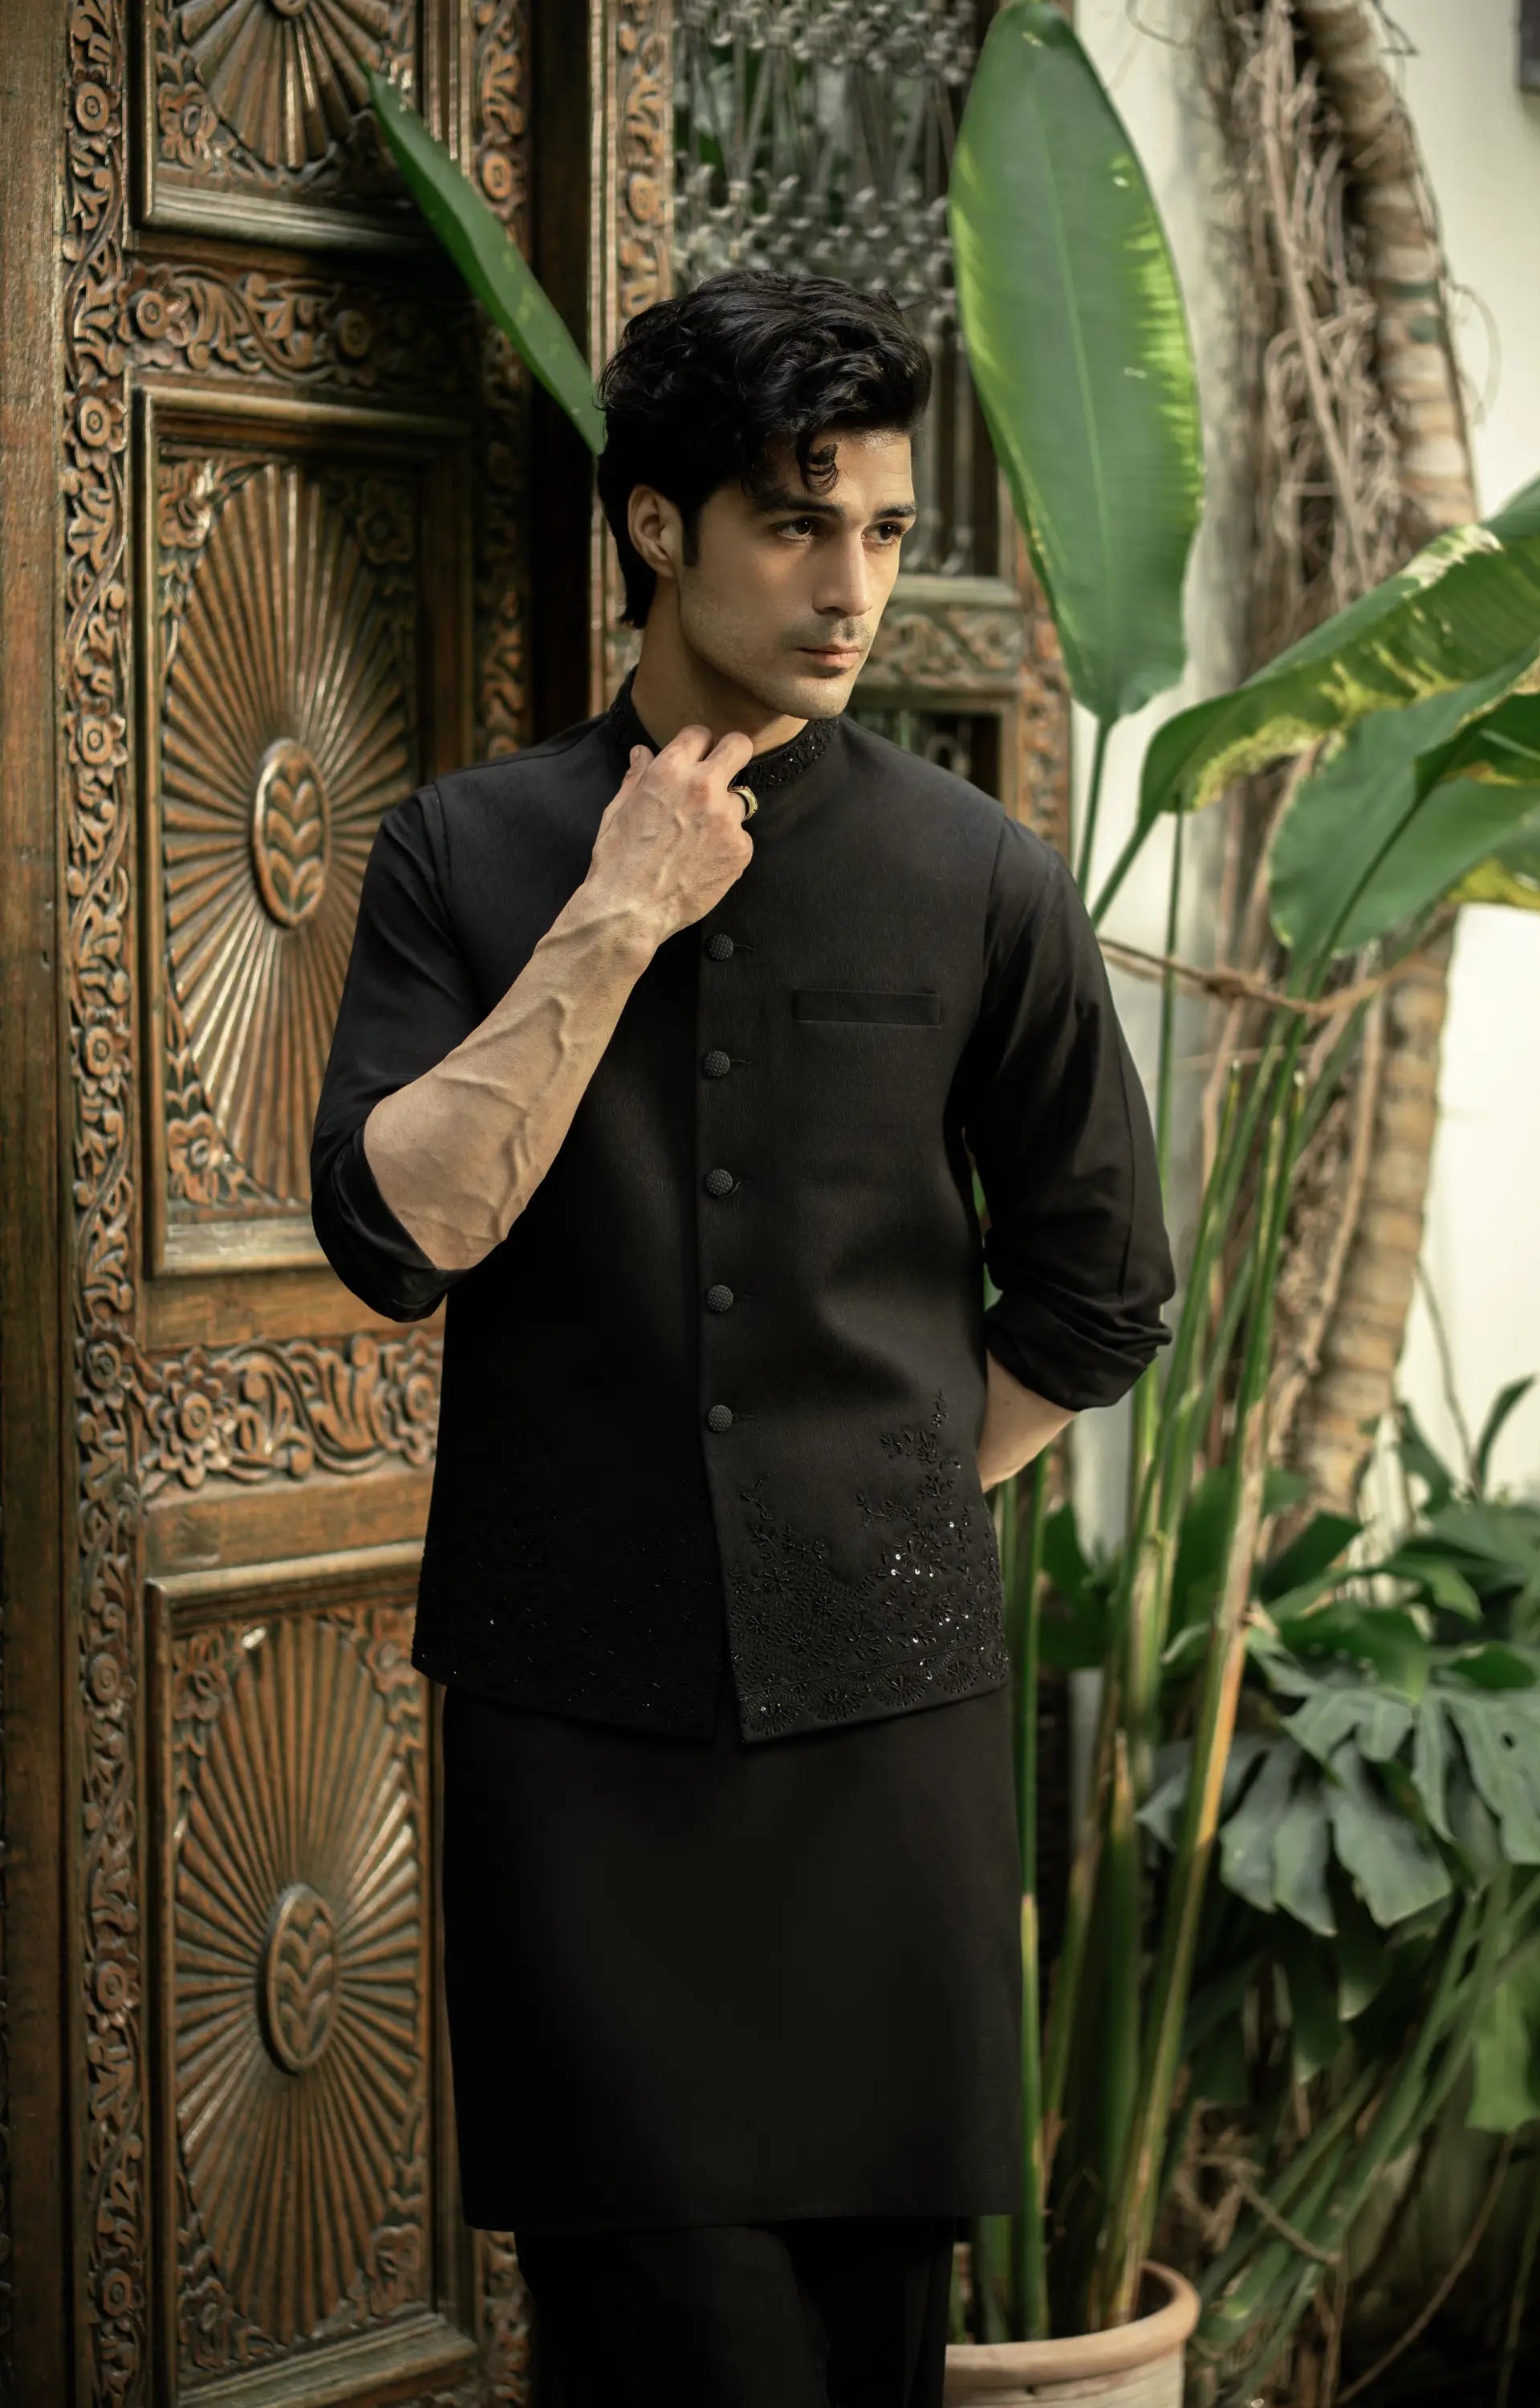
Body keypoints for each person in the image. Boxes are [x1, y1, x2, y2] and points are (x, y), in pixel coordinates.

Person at [310, 268, 1175, 2408]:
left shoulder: (983, 877)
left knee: (863, 2351)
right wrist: (621, 908)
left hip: (882, 1755)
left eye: (883, 529)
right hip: (580, 1754)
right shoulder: (466, 854)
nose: (851, 582)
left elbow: (1100, 1287)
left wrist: (863, 1505)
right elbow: (402, 1232)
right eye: (799, 524)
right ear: (654, 525)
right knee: (667, 2347)